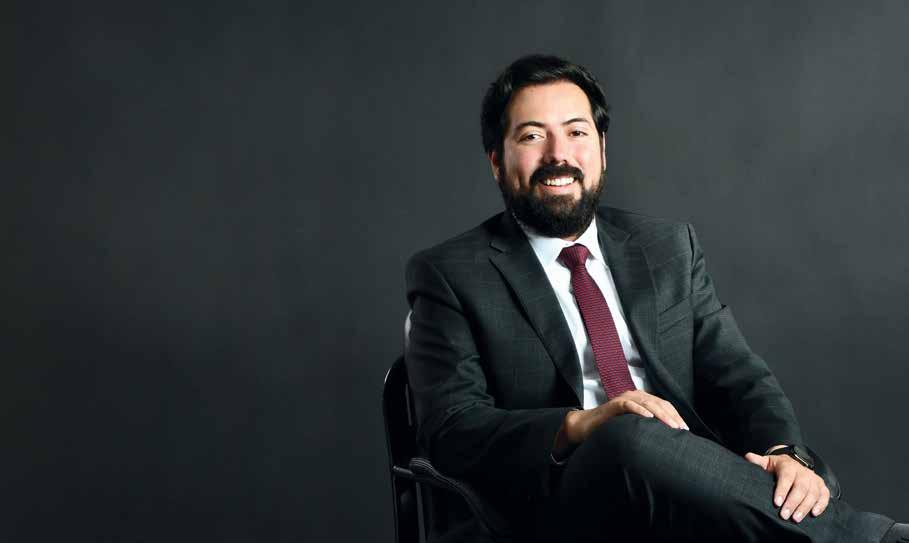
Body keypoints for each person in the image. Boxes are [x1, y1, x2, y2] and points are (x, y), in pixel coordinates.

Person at [403, 54, 905, 543]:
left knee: (795, 477)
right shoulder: (449, 273)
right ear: (497, 160)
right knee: (629, 433)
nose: (559, 154)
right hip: (552, 505)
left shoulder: (667, 247)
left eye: (577, 132)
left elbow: (739, 376)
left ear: (602, 149)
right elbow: (451, 428)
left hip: (687, 488)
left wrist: (783, 452)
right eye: (532, 136)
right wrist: (580, 425)